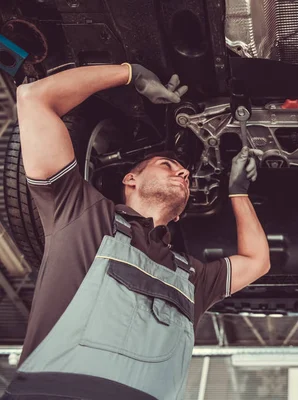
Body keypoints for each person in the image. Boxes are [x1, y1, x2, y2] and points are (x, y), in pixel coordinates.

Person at [2, 64, 269, 399]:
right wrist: (132, 74)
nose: (183, 172)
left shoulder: (187, 275)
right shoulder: (81, 214)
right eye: (169, 166)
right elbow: (33, 98)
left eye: (179, 170)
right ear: (130, 179)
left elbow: (256, 261)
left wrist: (238, 191)